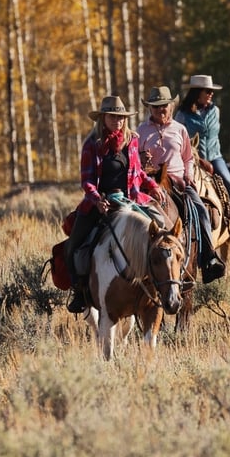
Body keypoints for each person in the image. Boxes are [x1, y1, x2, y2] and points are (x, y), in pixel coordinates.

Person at [65, 95, 165, 313]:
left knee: (163, 230)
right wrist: (97, 199)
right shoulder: (92, 144)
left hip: (130, 199)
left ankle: (163, 283)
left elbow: (137, 172)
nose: (117, 121)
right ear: (103, 118)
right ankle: (80, 291)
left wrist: (153, 186)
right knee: (72, 247)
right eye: (112, 116)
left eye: (120, 117)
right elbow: (87, 180)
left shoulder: (132, 140)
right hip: (99, 202)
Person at [137, 85, 226, 283]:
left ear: (171, 106)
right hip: (149, 182)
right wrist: (142, 158)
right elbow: (133, 159)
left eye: (165, 105)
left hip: (177, 181)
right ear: (149, 108)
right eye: (156, 106)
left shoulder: (180, 129)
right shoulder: (141, 131)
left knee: (201, 210)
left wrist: (188, 176)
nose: (161, 109)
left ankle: (208, 258)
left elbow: (188, 158)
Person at [175, 74, 230, 246]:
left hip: (215, 156)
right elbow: (176, 136)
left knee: (229, 183)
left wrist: (209, 161)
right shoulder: (182, 115)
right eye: (208, 91)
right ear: (197, 92)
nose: (211, 94)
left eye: (212, 91)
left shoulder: (215, 111)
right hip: (191, 159)